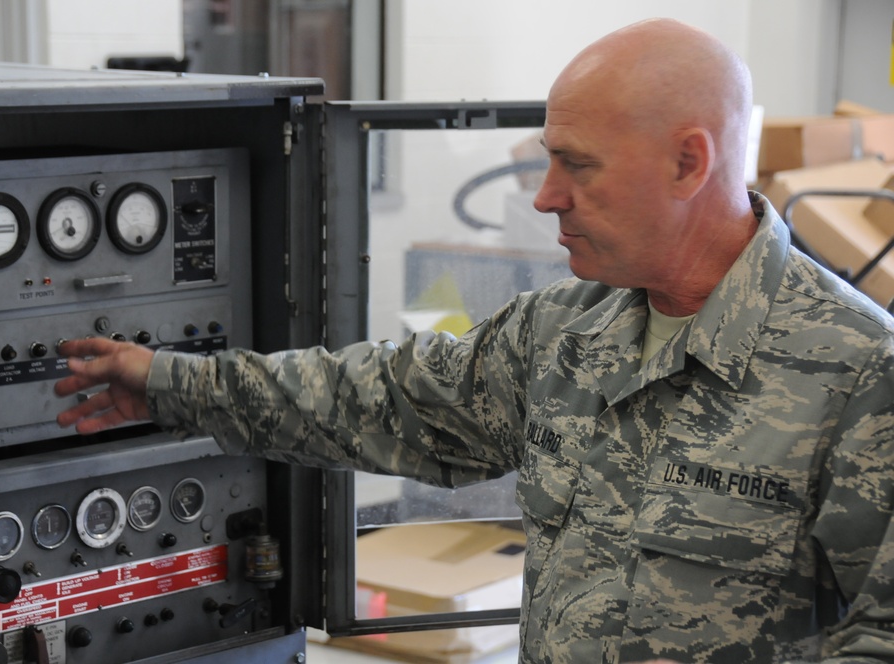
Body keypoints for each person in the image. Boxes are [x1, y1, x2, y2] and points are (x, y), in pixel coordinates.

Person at [55, 17, 894, 664]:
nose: (546, 197)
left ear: (688, 163)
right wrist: (165, 381)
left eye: (579, 166)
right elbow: (374, 399)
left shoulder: (859, 376)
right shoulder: (565, 332)